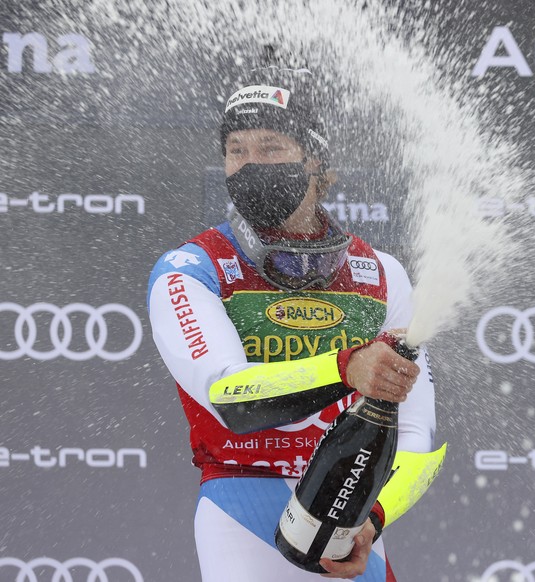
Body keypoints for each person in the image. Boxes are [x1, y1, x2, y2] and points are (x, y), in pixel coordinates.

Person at [147, 64, 444, 581]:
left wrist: (372, 517)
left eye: (270, 147)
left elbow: (416, 429)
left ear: (320, 168)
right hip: (241, 507)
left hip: (351, 522)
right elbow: (231, 398)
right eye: (236, 151)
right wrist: (348, 367)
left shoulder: (382, 275)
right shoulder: (191, 269)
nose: (250, 164)